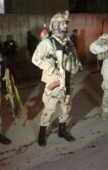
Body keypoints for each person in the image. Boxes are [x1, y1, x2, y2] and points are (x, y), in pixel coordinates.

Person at [32, 10, 83, 146]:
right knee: (49, 108)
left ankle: (62, 130)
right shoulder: (47, 43)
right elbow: (35, 59)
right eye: (63, 24)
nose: (65, 26)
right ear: (55, 25)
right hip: (53, 80)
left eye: (66, 24)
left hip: (67, 79)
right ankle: (42, 134)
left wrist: (77, 66)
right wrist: (51, 68)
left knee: (66, 106)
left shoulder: (68, 42)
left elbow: (74, 57)